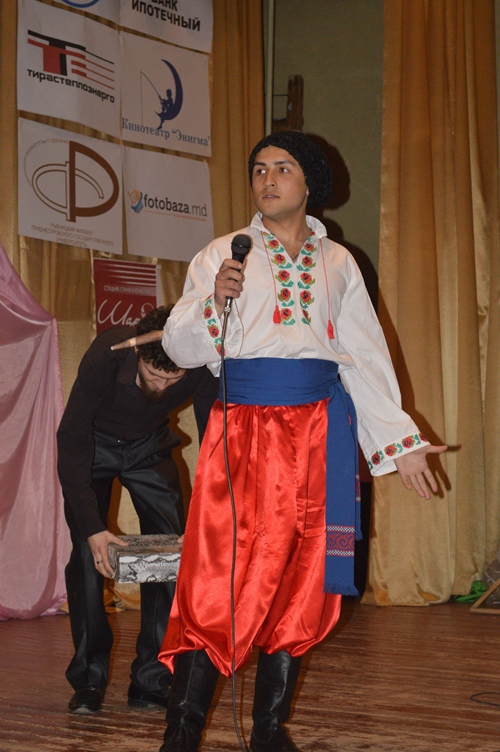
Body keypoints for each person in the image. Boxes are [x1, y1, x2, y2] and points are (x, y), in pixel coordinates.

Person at [157, 131, 447, 752]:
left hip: (319, 433)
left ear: (309, 181)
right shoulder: (222, 254)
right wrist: (213, 303)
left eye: (282, 168)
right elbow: (179, 347)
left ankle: (269, 730)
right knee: (221, 573)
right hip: (244, 430)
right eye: (259, 169)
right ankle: (181, 732)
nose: (267, 180)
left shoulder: (339, 263)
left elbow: (363, 356)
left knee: (303, 576)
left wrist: (400, 442)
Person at [57, 306, 218, 715]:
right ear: (138, 355)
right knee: (88, 558)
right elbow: (71, 440)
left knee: (169, 556)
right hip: (93, 446)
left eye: (173, 380)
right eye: (153, 375)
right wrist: (92, 529)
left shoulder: (199, 364)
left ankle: (151, 680)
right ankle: (88, 680)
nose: (162, 387)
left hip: (149, 447)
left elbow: (213, 441)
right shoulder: (107, 354)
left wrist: (208, 513)